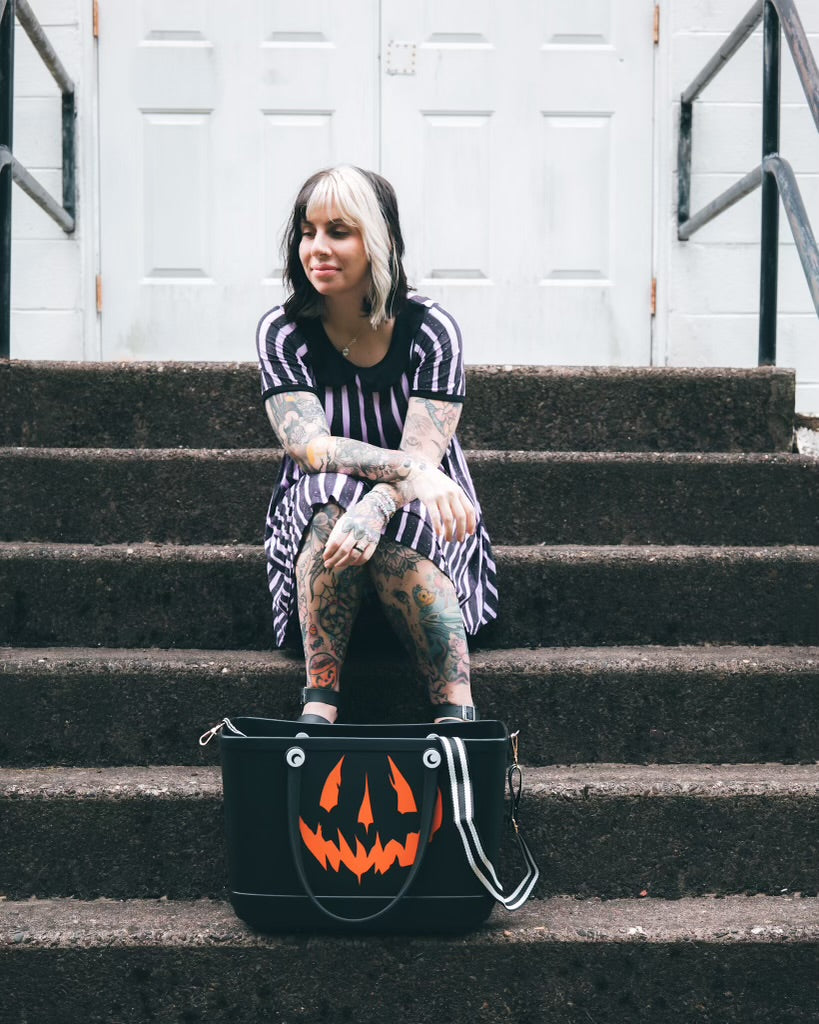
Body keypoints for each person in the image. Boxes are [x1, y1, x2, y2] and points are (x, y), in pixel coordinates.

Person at [255, 165, 497, 725]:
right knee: (326, 494)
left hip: (424, 507)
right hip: (323, 514)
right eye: (307, 231)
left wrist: (381, 504)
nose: (316, 247)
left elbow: (424, 467)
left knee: (382, 525)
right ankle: (320, 701)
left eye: (338, 231)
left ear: (378, 239)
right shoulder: (284, 331)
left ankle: (455, 714)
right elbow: (310, 448)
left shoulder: (431, 329)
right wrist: (398, 479)